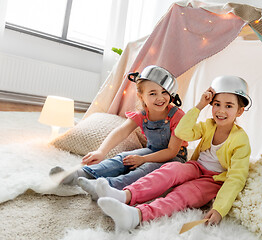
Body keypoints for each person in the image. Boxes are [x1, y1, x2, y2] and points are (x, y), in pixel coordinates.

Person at [81, 75, 252, 233]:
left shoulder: (240, 140)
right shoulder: (208, 125)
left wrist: (219, 209)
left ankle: (136, 215)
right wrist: (200, 106)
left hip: (213, 180)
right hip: (195, 167)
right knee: (170, 170)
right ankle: (123, 195)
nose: (221, 111)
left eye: (228, 106)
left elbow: (236, 178)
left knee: (183, 194)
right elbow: (182, 132)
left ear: (239, 111)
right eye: (217, 104)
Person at [50, 65, 188, 200]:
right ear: (141, 96)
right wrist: (101, 152)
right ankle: (81, 174)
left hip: (175, 158)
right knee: (123, 158)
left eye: (164, 92)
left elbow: (171, 151)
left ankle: (106, 187)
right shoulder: (142, 114)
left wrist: (143, 159)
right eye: (153, 93)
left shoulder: (177, 116)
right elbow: (121, 132)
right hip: (152, 150)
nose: (160, 98)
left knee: (146, 168)